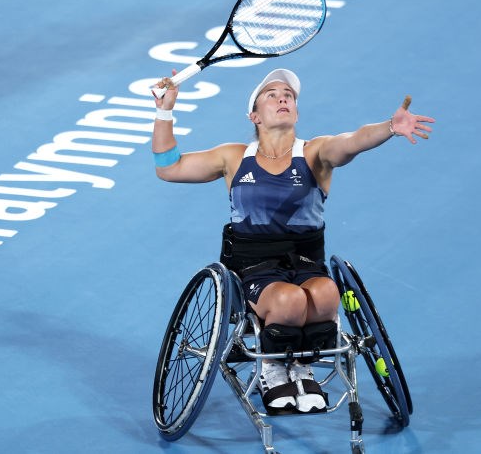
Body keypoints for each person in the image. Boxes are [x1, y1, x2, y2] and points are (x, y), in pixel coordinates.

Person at [151, 68, 434, 414]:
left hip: (304, 264)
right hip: (252, 268)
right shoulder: (233, 157)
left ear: (296, 112)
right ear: (254, 116)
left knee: (327, 294)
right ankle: (272, 369)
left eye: (289, 95)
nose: (283, 97)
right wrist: (164, 112)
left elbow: (352, 141)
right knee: (288, 302)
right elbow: (169, 167)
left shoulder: (315, 153)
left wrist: (389, 128)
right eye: (272, 94)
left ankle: (301, 367)